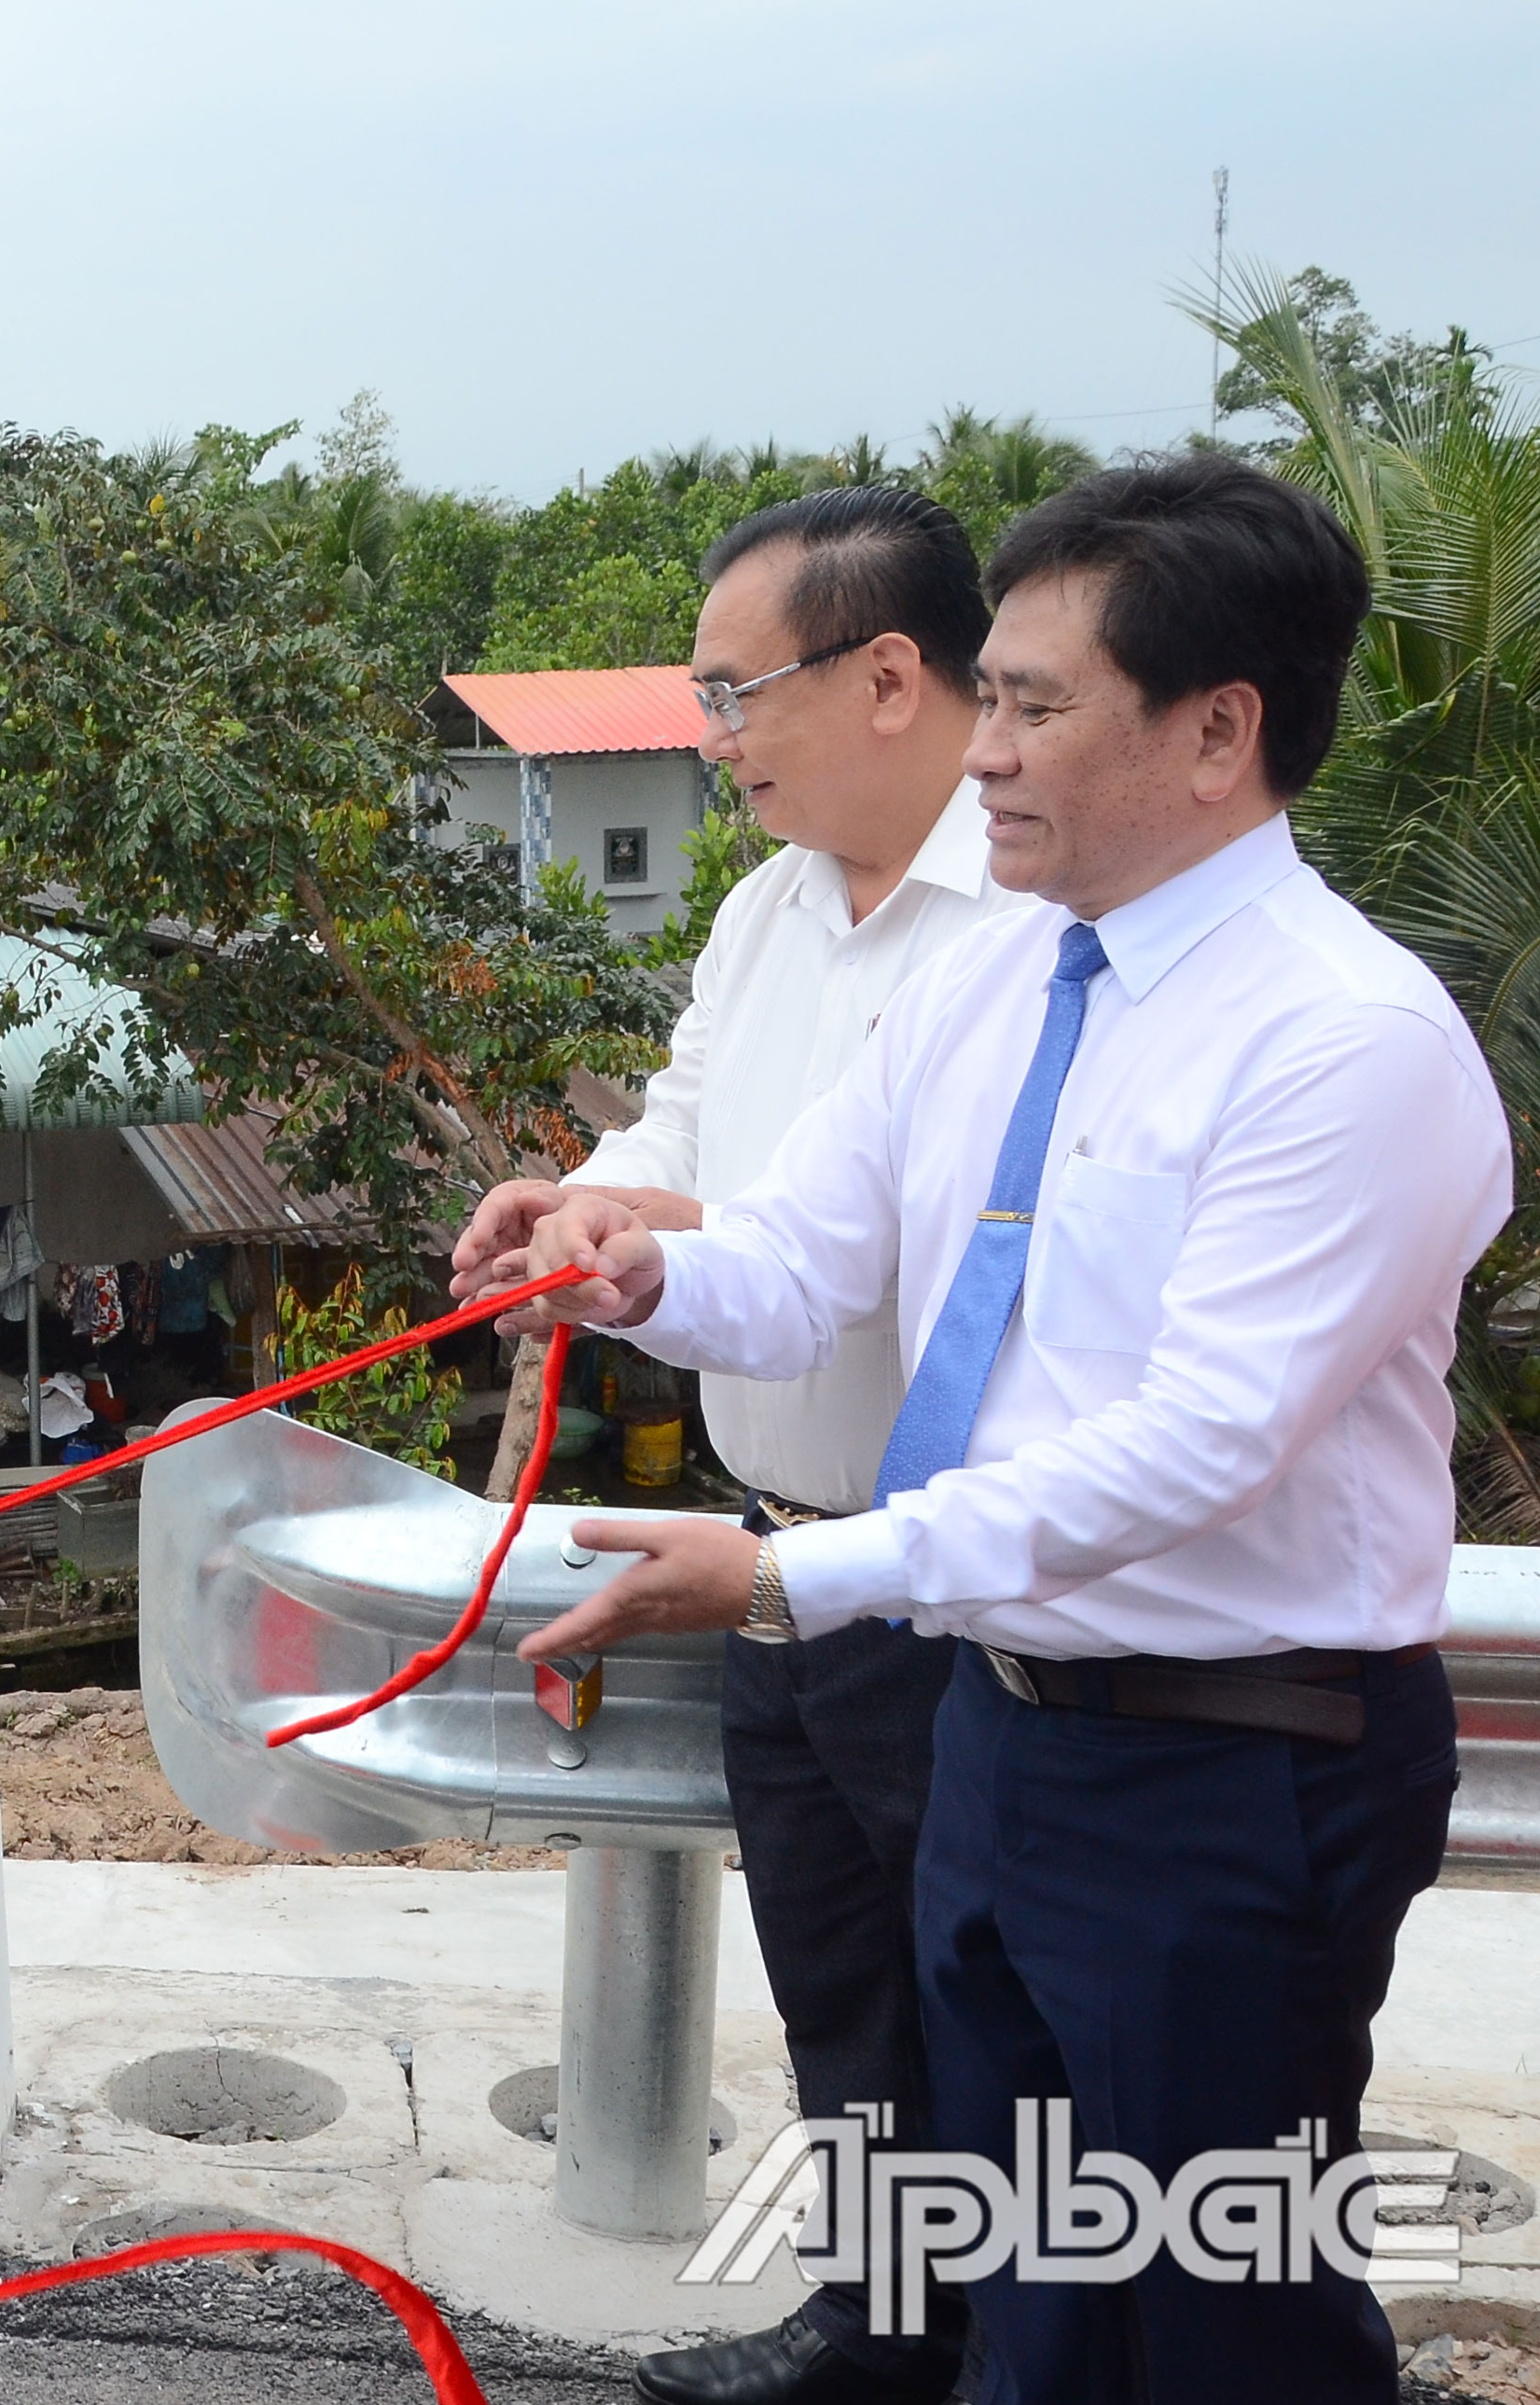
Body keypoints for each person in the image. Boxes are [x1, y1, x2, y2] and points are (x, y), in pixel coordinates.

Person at [480, 456, 1500, 2404]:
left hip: (1233, 1761)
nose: (991, 751)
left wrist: (792, 1573)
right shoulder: (1002, 980)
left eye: (1034, 706)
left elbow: (1198, 1445)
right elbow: (800, 1248)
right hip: (1007, 1722)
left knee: (1224, 2315)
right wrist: (631, 1275)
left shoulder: (1341, 1043)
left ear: (1219, 731)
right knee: (1023, 2300)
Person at [449, 485, 1020, 2405]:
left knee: (995, 2005)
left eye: (731, 689)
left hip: (952, 1576)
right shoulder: (770, 909)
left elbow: (849, 1254)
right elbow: (687, 1139)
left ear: (884, 675)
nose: (713, 736)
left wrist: (639, 1252)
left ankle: (1016, 2343)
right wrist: (587, 1198)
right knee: (845, 1984)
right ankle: (880, 2325)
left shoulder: (1032, 933)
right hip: (766, 1548)